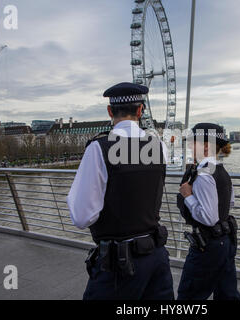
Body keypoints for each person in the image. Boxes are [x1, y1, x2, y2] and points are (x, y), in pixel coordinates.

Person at [67, 82, 174, 300]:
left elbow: (82, 217)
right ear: (140, 110)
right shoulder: (159, 147)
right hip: (156, 258)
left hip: (120, 266)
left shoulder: (99, 148)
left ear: (109, 111)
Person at [176, 123, 240, 300]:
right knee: (227, 294)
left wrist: (188, 196)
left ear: (206, 146)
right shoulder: (221, 170)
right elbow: (230, 203)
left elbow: (209, 218)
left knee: (188, 296)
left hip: (208, 246)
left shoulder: (204, 174)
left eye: (193, 142)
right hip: (225, 242)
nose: (189, 146)